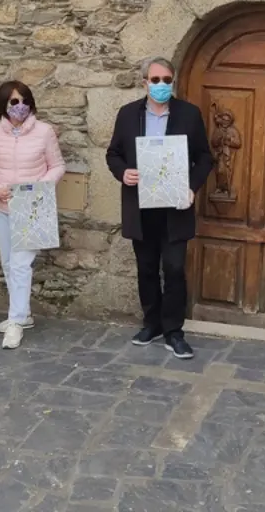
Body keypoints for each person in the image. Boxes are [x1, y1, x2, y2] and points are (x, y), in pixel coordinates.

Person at [105, 57, 213, 359]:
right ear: (144, 83)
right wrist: (123, 172)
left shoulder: (189, 115)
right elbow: (113, 154)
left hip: (175, 206)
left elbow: (205, 157)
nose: (162, 85)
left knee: (175, 269)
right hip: (140, 206)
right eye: (156, 80)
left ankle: (174, 331)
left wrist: (192, 187)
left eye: (167, 80)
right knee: (147, 268)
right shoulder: (127, 115)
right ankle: (151, 323)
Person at [0, 81, 66, 350]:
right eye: (13, 101)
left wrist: (39, 188)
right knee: (7, 262)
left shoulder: (45, 132)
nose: (20, 106)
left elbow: (58, 166)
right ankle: (23, 314)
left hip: (33, 208)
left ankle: (15, 322)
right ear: (3, 104)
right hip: (3, 207)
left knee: (20, 264)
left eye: (24, 100)